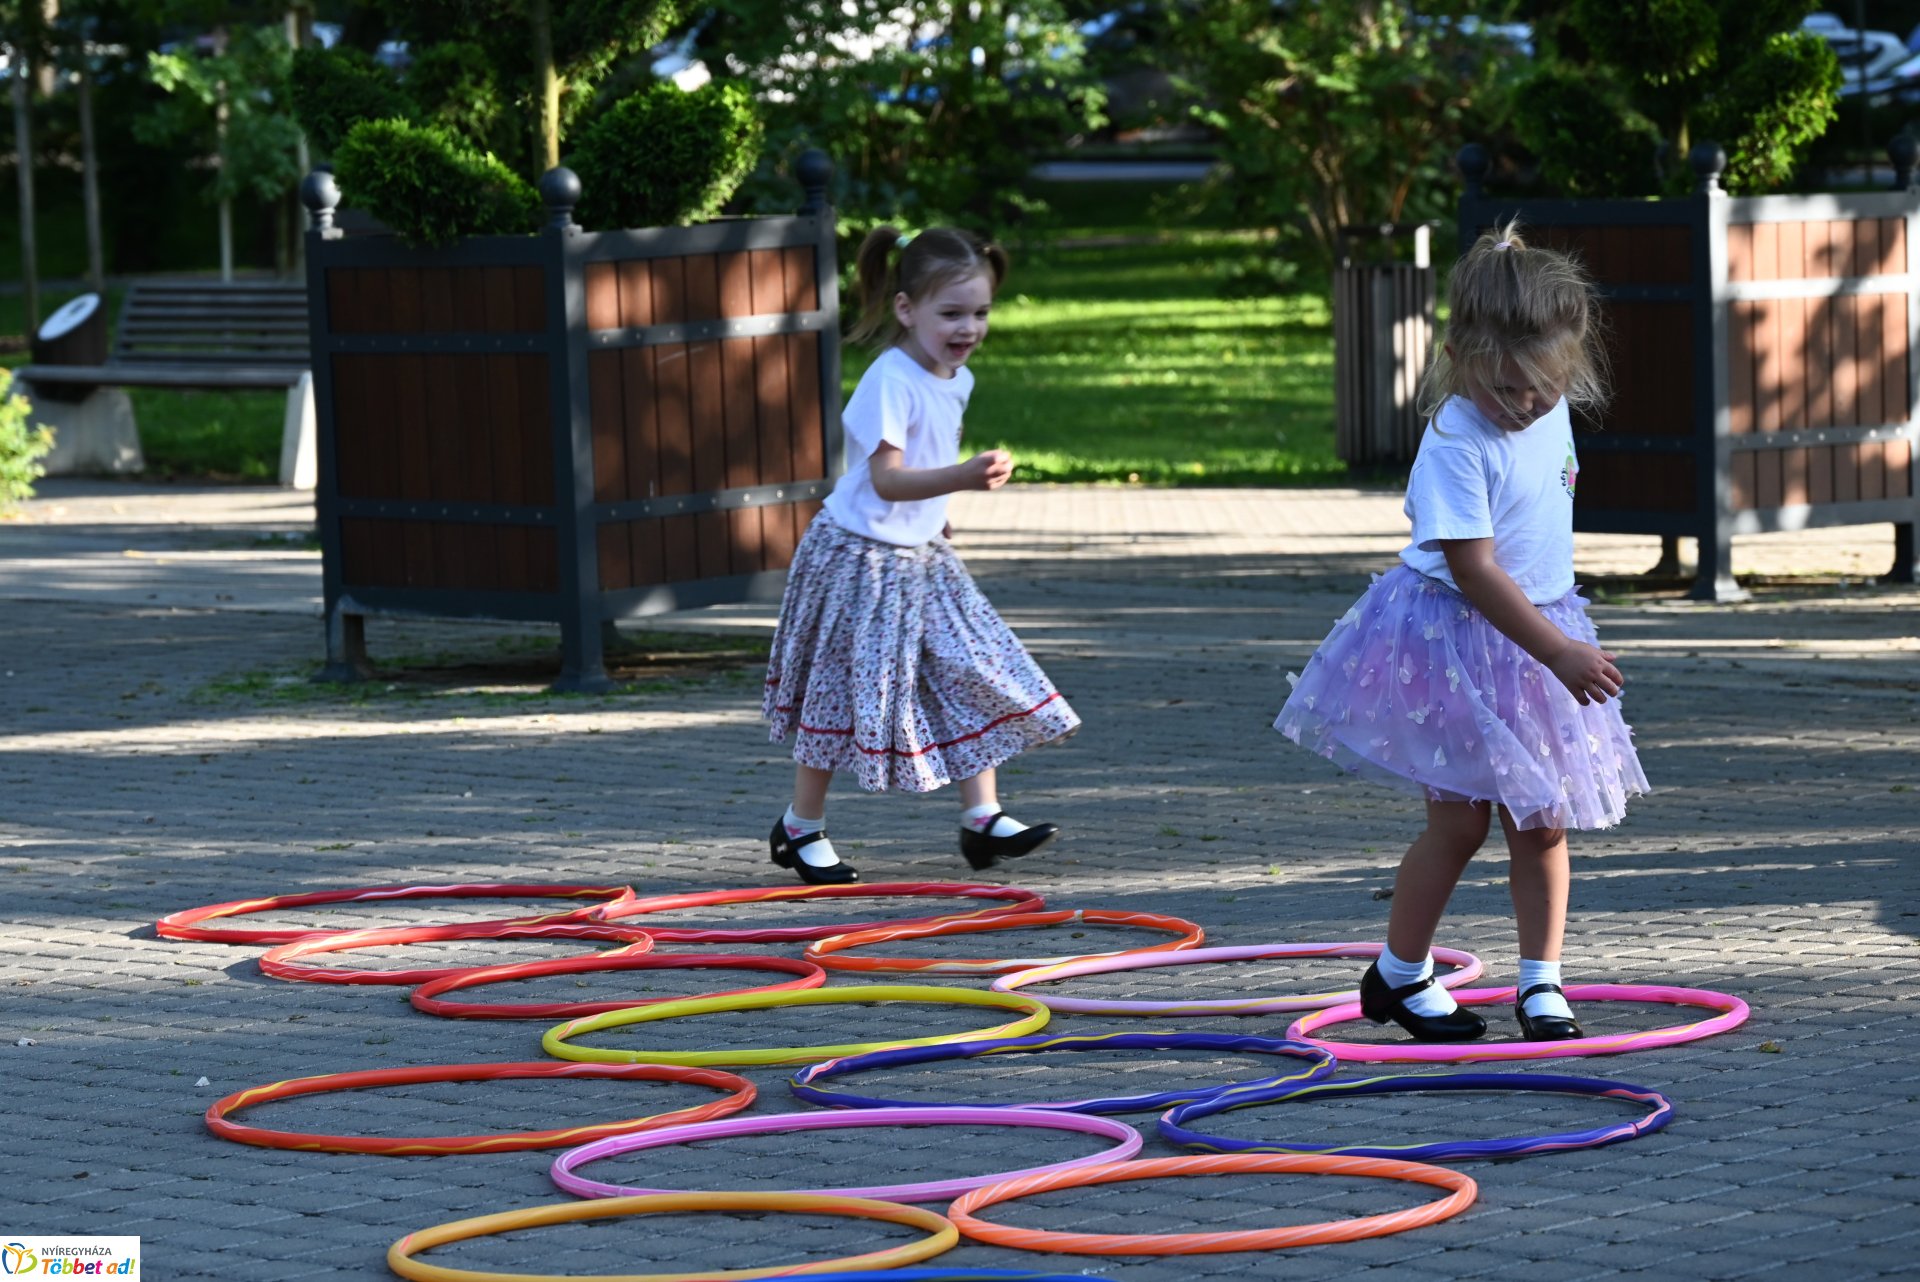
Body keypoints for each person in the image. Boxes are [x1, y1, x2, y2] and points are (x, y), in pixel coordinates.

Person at [1275, 220, 1650, 1042]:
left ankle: (1542, 985)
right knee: (1460, 823)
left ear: (1571, 356)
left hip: (1538, 630)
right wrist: (1556, 652)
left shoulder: (1545, 407)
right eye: (1503, 388)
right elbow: (1474, 569)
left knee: (1544, 817)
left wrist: (1557, 637)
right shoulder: (1454, 440)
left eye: (1540, 387)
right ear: (1458, 356)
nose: (1522, 403)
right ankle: (1400, 975)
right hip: (1456, 642)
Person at [760, 226, 1080, 886]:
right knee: (842, 695)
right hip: (859, 560)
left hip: (919, 554)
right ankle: (800, 828)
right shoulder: (890, 379)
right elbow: (886, 480)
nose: (968, 328)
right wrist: (961, 478)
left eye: (981, 313)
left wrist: (943, 514)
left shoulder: (954, 377)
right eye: (952, 314)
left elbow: (925, 468)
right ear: (907, 309)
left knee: (968, 668)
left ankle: (982, 819)